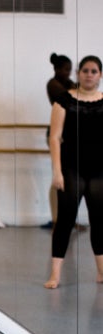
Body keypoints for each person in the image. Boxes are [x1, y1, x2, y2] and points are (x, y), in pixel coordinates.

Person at [44, 55, 103, 289]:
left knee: (99, 221)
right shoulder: (63, 100)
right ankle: (55, 275)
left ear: (100, 75)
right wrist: (57, 171)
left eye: (94, 71)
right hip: (71, 170)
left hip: (99, 172)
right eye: (85, 70)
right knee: (65, 221)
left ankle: (101, 272)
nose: (89, 75)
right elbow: (54, 138)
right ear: (78, 73)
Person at [41, 53, 76, 229]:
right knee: (59, 177)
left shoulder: (69, 83)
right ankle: (57, 219)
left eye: (70, 70)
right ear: (56, 69)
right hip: (57, 134)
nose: (68, 73)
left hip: (69, 134)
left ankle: (68, 220)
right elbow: (70, 99)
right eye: (65, 69)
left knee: (71, 179)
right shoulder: (53, 84)